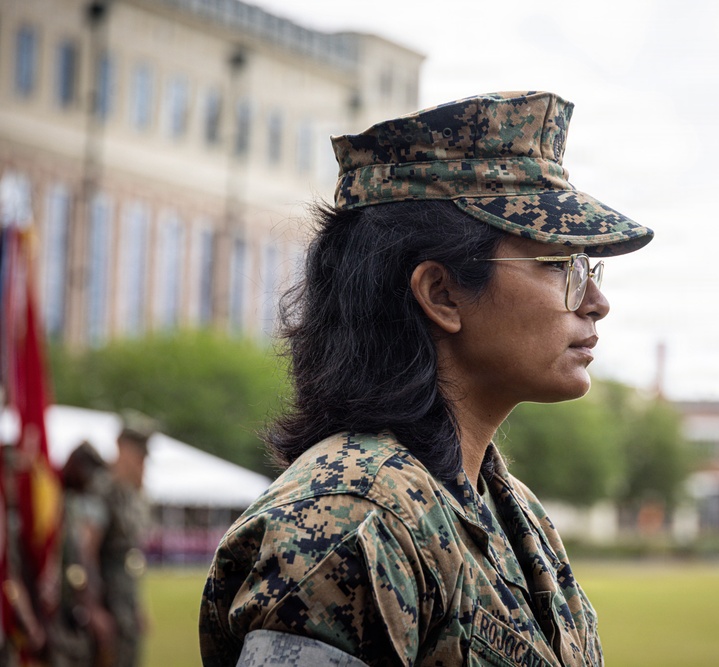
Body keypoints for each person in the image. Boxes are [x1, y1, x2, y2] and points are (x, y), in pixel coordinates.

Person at [199, 91, 653, 667]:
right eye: (559, 265)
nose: (596, 301)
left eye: (587, 267)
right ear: (441, 293)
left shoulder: (513, 511)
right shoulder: (352, 521)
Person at [91, 411, 155, 667]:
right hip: (104, 605)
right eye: (137, 453)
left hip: (123, 605)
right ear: (120, 446)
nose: (141, 462)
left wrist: (135, 605)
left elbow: (127, 557)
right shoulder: (101, 489)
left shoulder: (129, 493)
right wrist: (93, 609)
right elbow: (86, 552)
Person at [49, 441, 115, 667]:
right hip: (61, 615)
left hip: (74, 612)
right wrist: (91, 608)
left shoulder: (72, 503)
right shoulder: (56, 503)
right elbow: (76, 563)